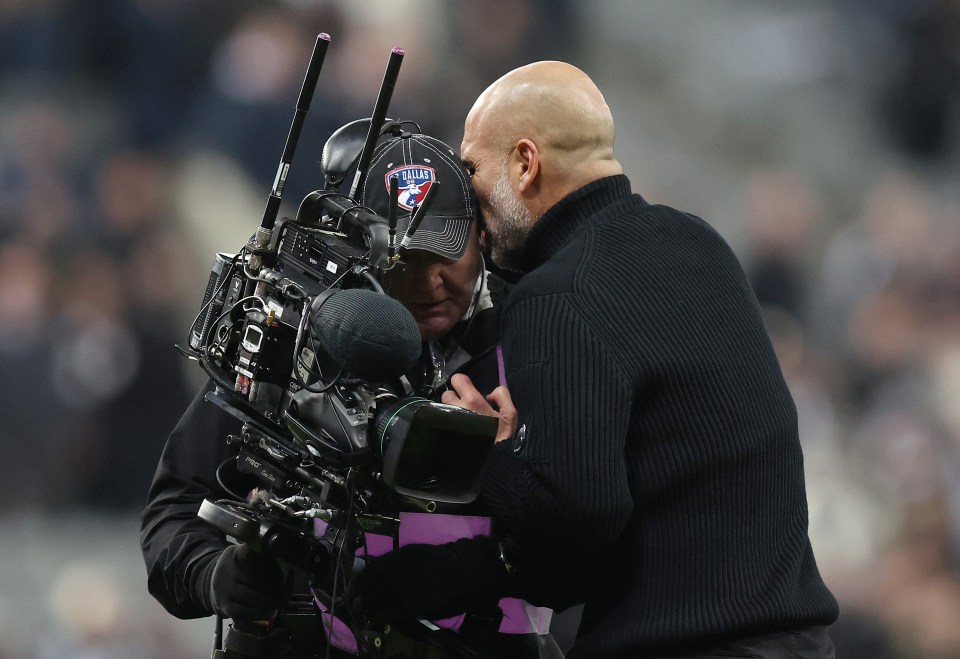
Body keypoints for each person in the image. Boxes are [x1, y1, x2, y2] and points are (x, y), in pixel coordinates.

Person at [355, 62, 841, 658]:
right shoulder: (700, 242)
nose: (468, 198)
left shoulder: (557, 294)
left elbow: (575, 521)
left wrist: (487, 454)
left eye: (473, 168)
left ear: (525, 164)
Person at [139, 131, 550, 657]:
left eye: (446, 254)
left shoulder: (538, 338)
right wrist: (211, 574)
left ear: (483, 239)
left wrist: (505, 463)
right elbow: (174, 507)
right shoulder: (295, 343)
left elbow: (585, 528)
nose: (428, 283)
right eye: (405, 262)